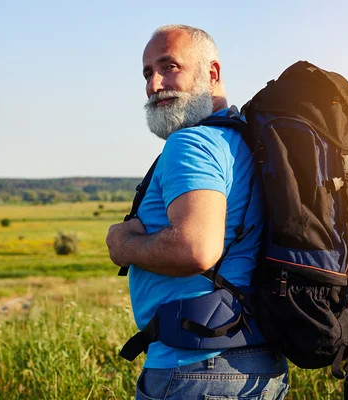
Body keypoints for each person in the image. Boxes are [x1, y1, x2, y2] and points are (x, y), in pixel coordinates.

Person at [106, 25, 289, 400]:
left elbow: (195, 249)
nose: (155, 84)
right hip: (257, 367)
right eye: (146, 73)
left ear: (212, 74)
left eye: (169, 66)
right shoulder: (244, 139)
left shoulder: (191, 143)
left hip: (197, 370)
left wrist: (121, 244)